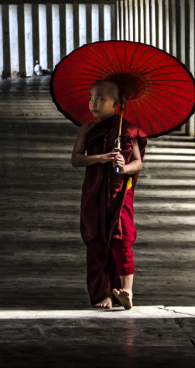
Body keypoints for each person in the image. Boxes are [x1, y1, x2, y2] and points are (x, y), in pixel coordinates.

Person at [71, 80, 147, 310]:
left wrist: (123, 168)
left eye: (100, 98)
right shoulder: (86, 129)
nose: (93, 103)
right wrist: (100, 158)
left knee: (121, 238)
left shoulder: (128, 129)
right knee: (96, 240)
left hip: (119, 193)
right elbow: (76, 159)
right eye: (91, 97)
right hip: (94, 192)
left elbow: (138, 163)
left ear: (115, 103)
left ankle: (127, 291)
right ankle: (103, 292)